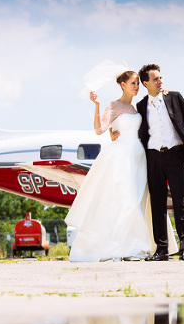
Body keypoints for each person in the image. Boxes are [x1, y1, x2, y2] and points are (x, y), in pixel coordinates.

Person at [64, 71, 154, 262]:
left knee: (137, 201)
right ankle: (124, 248)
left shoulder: (137, 107)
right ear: (123, 84)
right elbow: (99, 129)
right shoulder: (113, 106)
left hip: (139, 157)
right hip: (121, 157)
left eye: (138, 83)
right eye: (133, 83)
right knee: (127, 201)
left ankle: (131, 246)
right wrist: (97, 105)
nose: (136, 86)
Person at [137, 64, 184, 262]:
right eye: (155, 79)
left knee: (180, 203)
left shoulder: (174, 97)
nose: (160, 81)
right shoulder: (140, 106)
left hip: (175, 155)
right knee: (157, 205)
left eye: (160, 78)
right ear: (145, 83)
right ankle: (161, 250)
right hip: (153, 158)